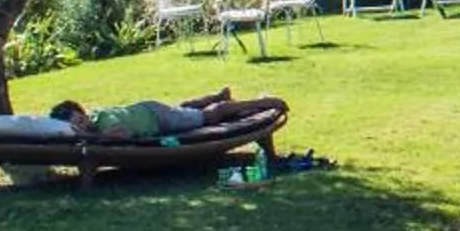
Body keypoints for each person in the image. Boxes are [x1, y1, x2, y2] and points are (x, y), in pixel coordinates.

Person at [47, 88, 286, 141]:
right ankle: (216, 96)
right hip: (150, 110)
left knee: (208, 118)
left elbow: (123, 133)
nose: (81, 126)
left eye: (80, 120)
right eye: (75, 125)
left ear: (84, 114)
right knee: (185, 109)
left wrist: (94, 137)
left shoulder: (103, 123)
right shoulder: (95, 122)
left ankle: (264, 102)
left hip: (157, 118)